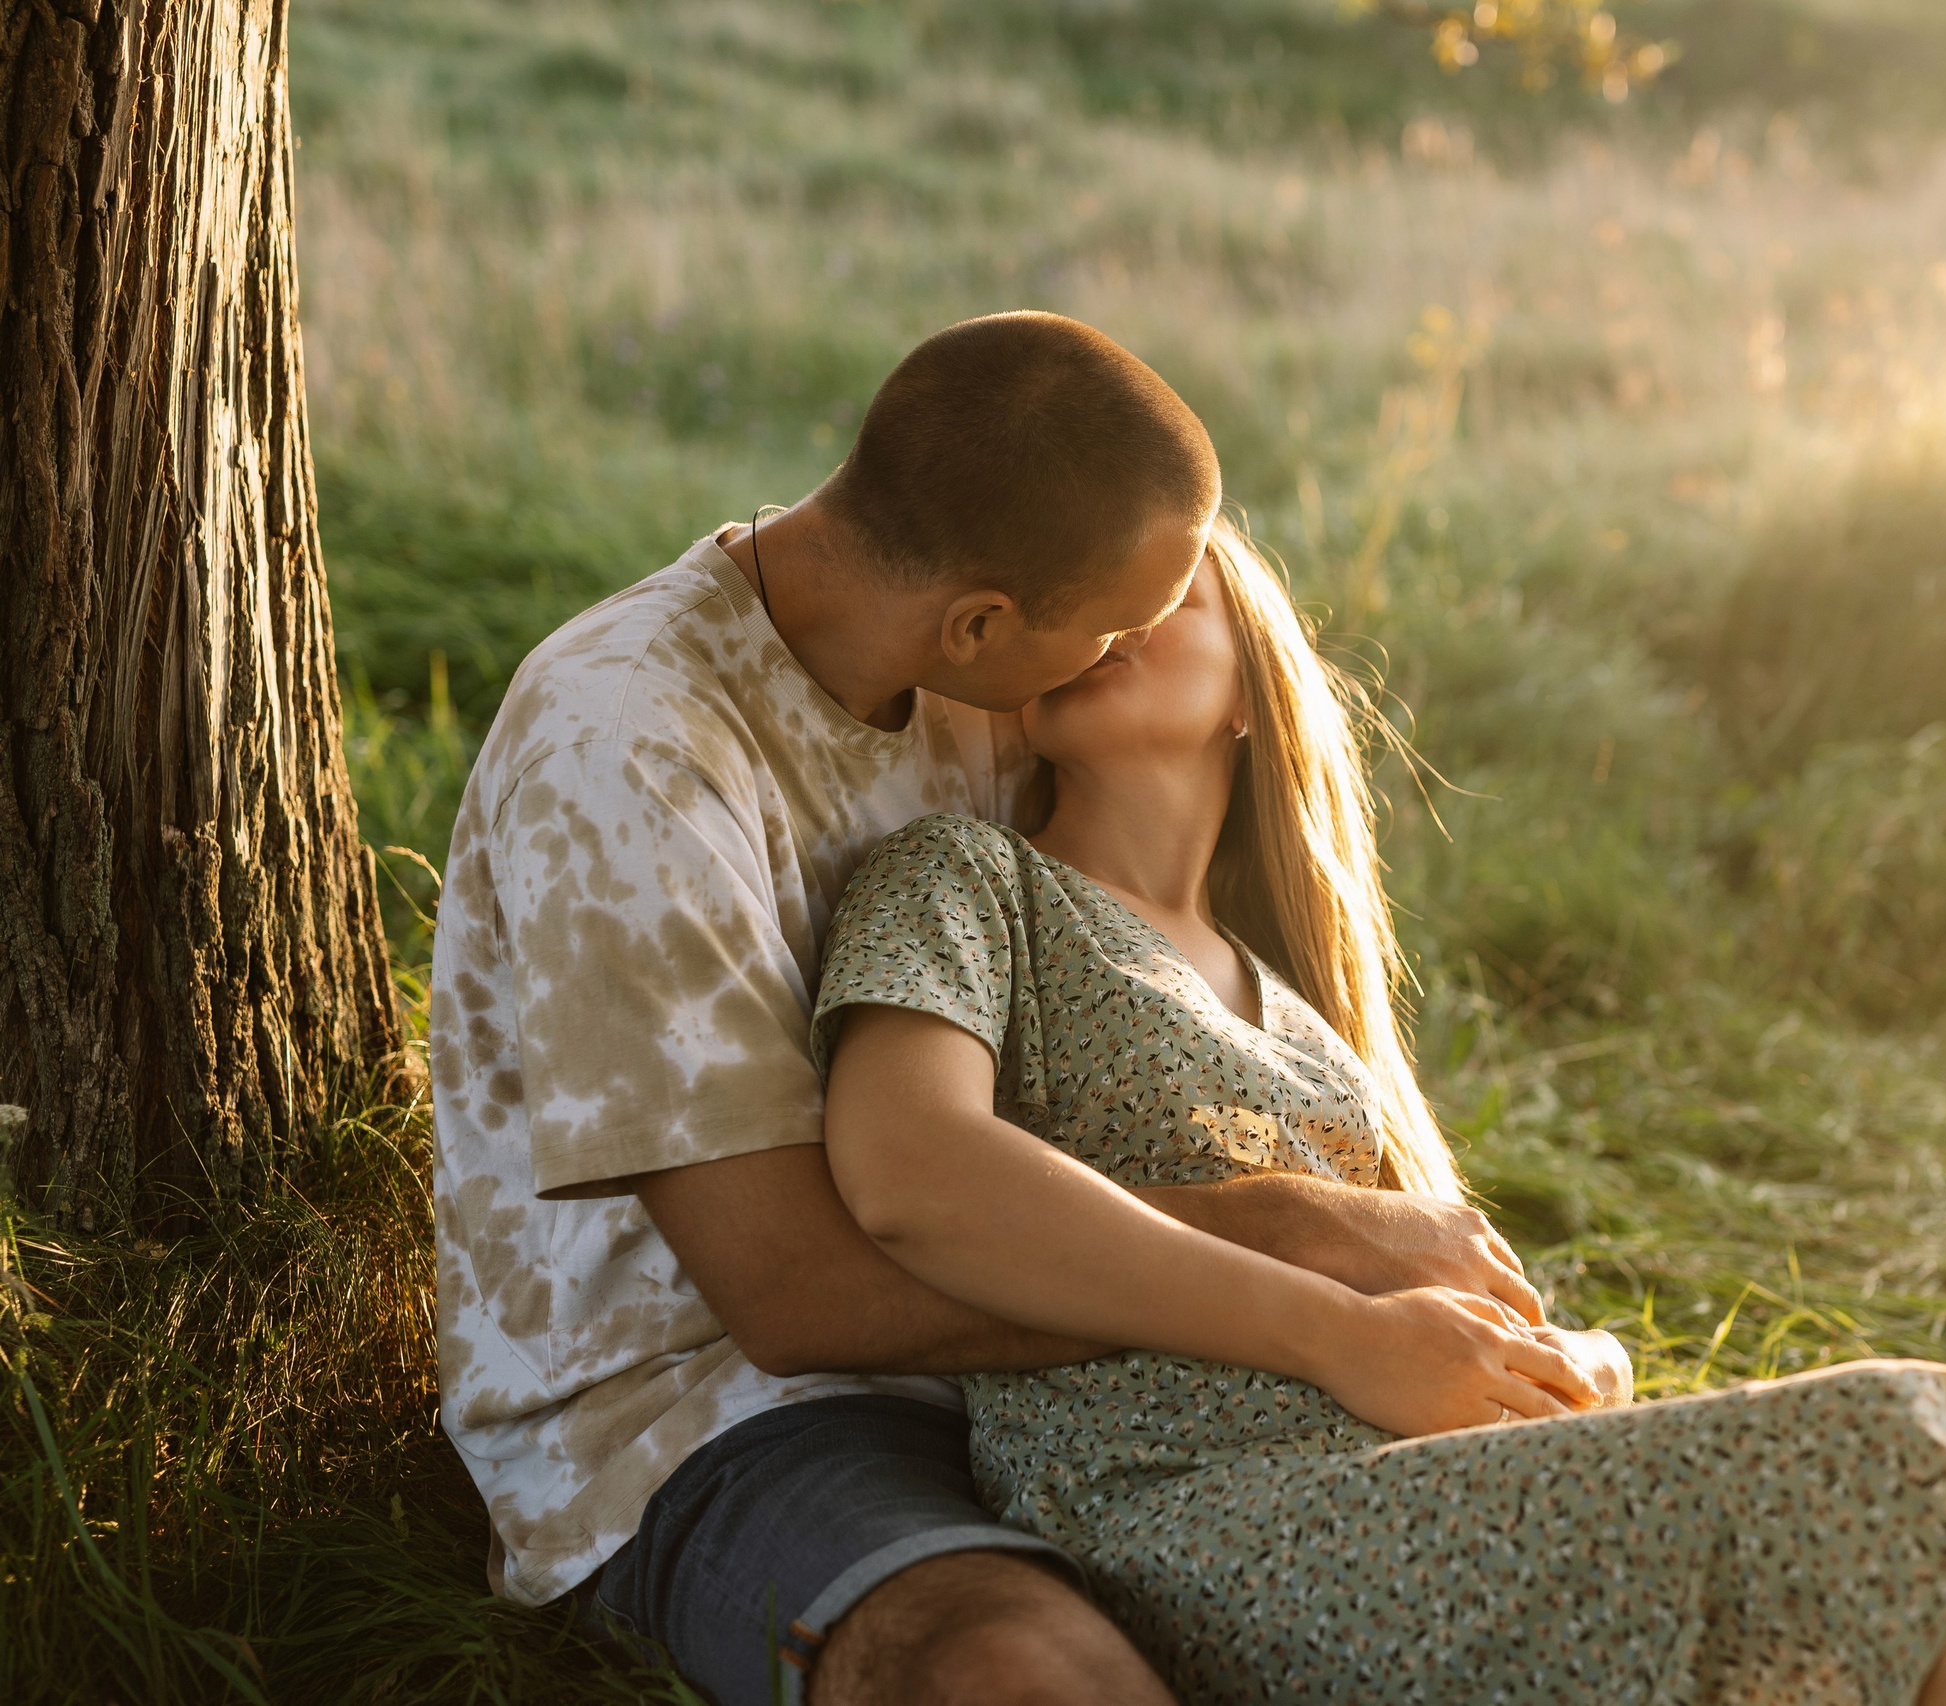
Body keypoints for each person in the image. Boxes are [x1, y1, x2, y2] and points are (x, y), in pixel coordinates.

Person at [808, 519, 1946, 1706]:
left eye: (1158, 589)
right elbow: (905, 1168)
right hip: (1185, 1512)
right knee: (1868, 1449)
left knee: (1867, 1543)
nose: (1107, 619)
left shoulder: (1304, 1009)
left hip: (1413, 1490)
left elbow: (1453, 1309)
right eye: (1076, 596)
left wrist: (1548, 1360)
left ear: (1257, 673)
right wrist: (1337, 1316)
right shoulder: (965, 880)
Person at [430, 312, 1554, 1706]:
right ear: (980, 623)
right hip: (717, 1409)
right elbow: (793, 1294)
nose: (1113, 662)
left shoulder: (980, 678)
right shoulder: (630, 748)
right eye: (1113, 633)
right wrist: (1298, 1241)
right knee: (1018, 1670)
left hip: (1066, 1378)